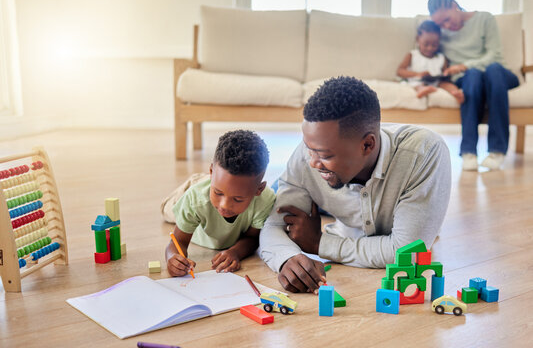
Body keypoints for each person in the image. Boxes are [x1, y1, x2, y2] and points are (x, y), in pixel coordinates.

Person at [259, 76, 451, 293]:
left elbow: (406, 252)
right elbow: (275, 225)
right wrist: (287, 258)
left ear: (367, 144)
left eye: (323, 154)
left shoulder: (424, 153)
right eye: (308, 148)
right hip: (333, 191)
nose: (312, 161)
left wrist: (320, 244)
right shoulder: (307, 158)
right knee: (263, 203)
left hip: (345, 203)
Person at [428, 0, 519, 171]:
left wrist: (463, 65)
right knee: (473, 76)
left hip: (497, 74)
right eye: (441, 24)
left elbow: (494, 55)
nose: (446, 26)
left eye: (446, 19)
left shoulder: (484, 19)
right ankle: (469, 152)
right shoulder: (440, 33)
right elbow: (429, 57)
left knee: (492, 70)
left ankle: (497, 151)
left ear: (454, 5)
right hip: (470, 80)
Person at [164, 130, 275, 276]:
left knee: (217, 190)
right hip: (192, 195)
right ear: (211, 171)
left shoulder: (265, 200)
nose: (224, 205)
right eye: (218, 193)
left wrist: (235, 252)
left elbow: (253, 238)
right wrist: (172, 258)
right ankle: (198, 180)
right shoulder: (195, 199)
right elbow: (178, 242)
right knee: (168, 211)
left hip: (212, 187)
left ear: (259, 189)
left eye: (238, 199)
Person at [397, 20, 464, 103]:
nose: (430, 48)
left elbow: (445, 74)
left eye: (434, 45)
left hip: (436, 82)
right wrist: (418, 74)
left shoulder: (441, 58)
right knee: (416, 85)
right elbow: (400, 71)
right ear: (418, 39)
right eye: (426, 44)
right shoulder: (412, 55)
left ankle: (456, 93)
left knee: (446, 85)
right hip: (417, 81)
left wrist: (447, 73)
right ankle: (422, 89)